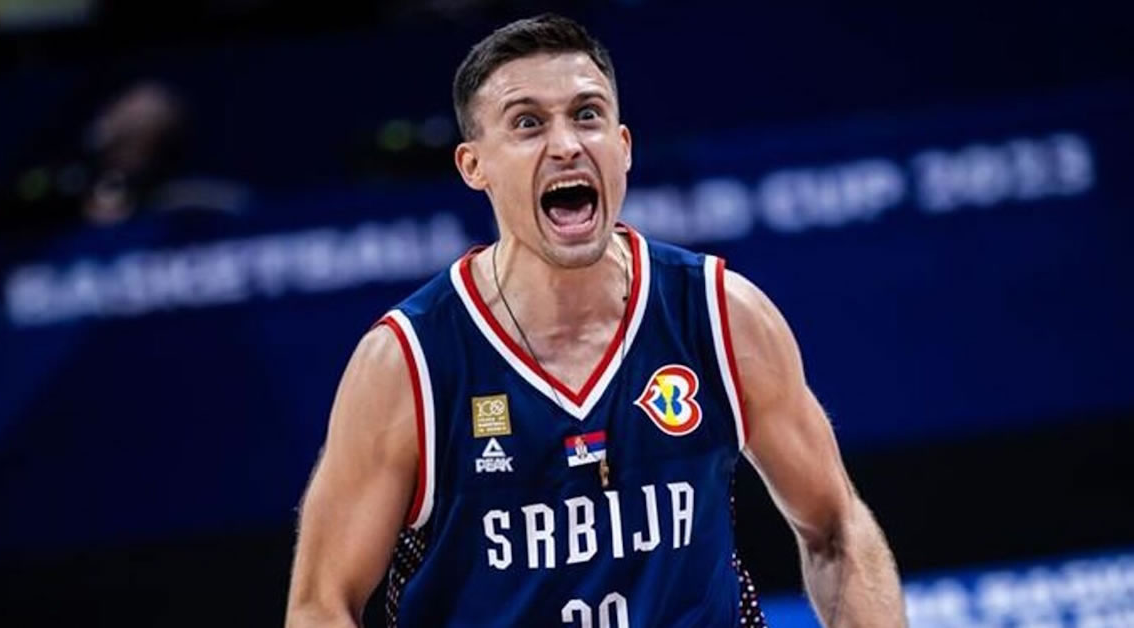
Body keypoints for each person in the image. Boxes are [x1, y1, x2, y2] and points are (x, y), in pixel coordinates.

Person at [286, 14, 905, 627]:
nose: (566, 145)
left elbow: (836, 527)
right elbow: (322, 604)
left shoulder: (720, 316)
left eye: (587, 115)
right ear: (474, 166)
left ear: (623, 146)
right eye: (528, 123)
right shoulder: (409, 362)